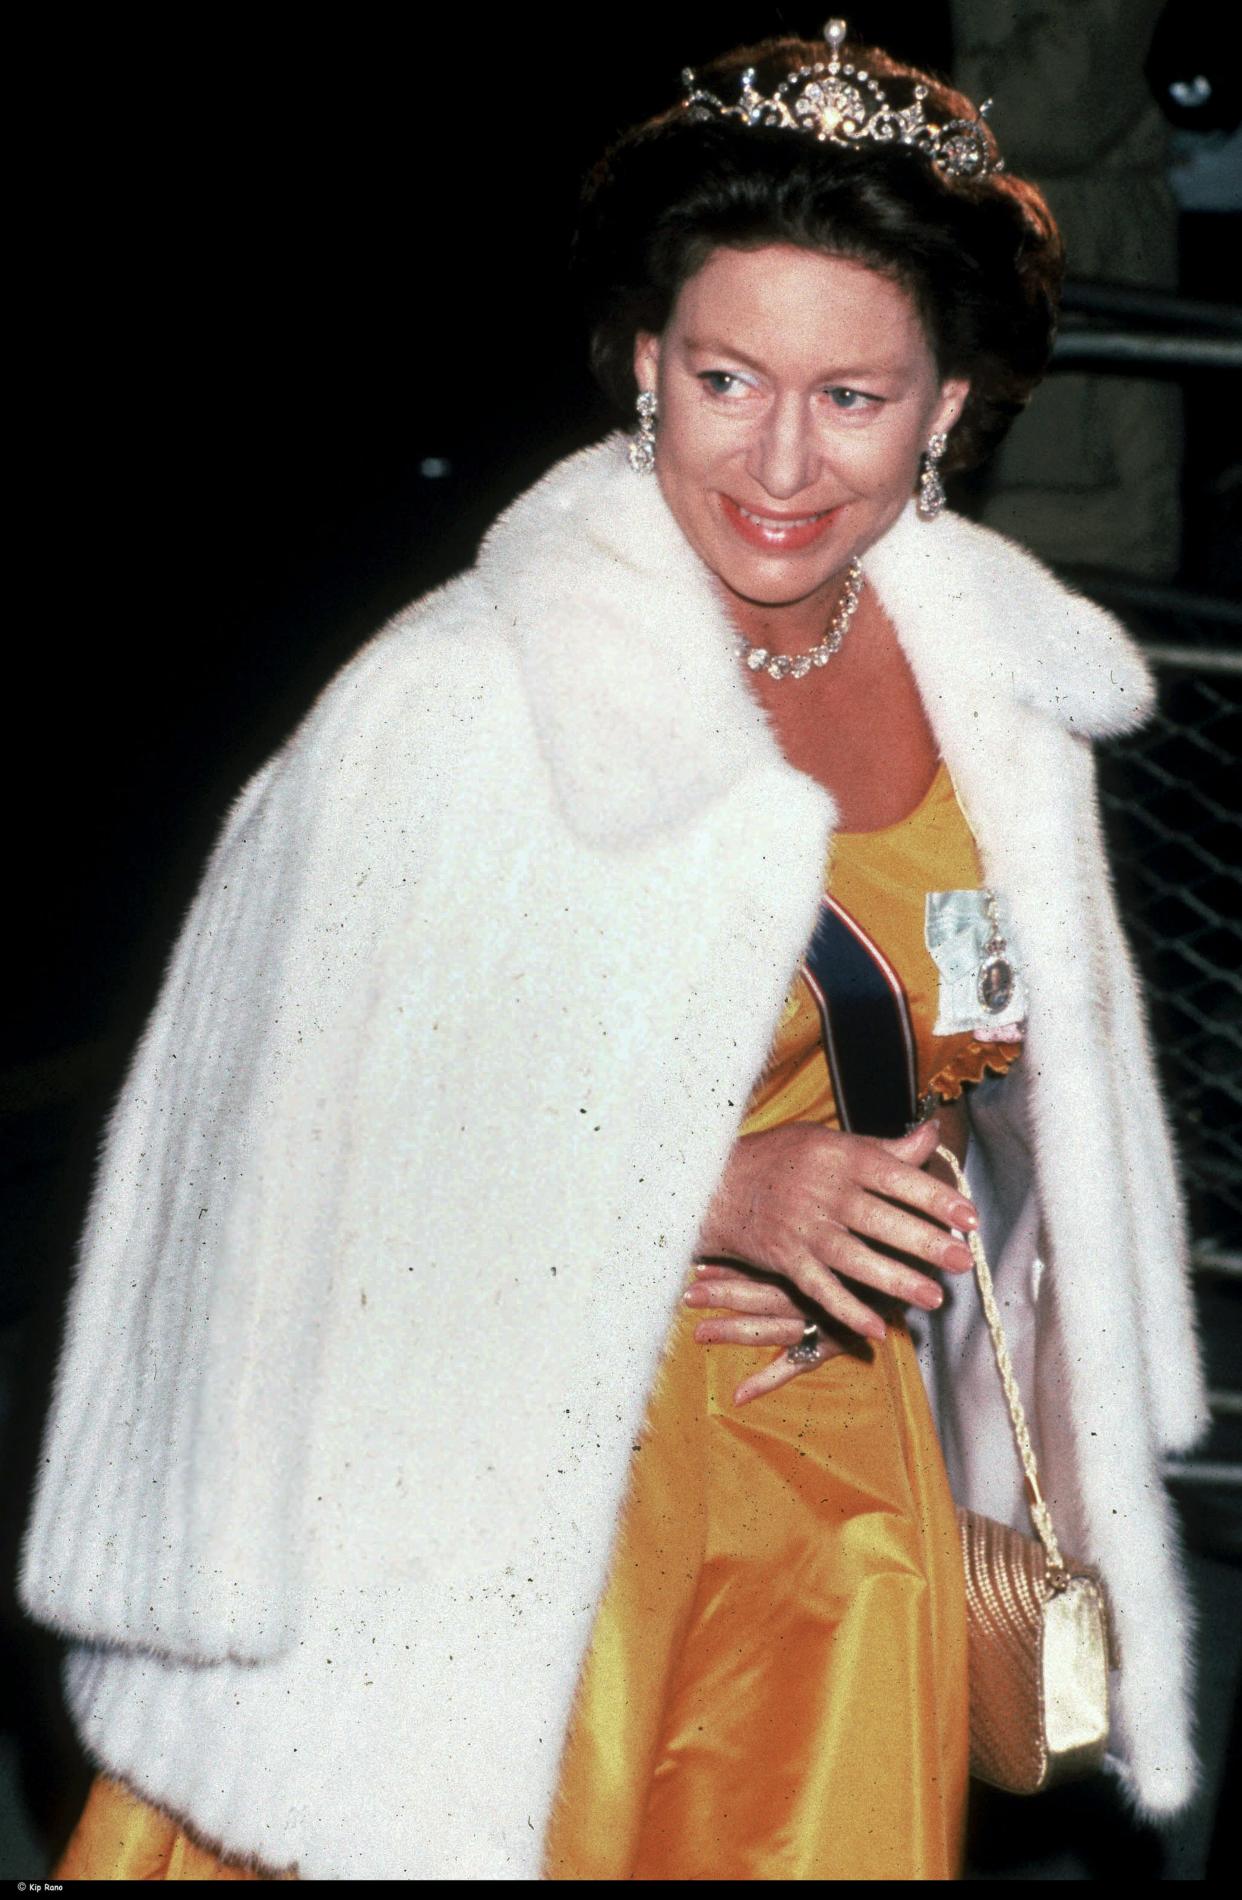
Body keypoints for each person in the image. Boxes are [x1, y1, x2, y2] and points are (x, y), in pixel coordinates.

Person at [21, 21, 1208, 1883]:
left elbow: (1012, 1096)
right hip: (505, 1527)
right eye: (728, 375)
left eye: (856, 396)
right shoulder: (457, 707)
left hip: (845, 1508)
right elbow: (243, 1180)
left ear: (951, 409)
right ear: (644, 363)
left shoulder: (1004, 701)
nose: (783, 463)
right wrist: (700, 1191)